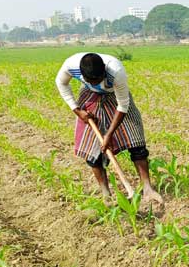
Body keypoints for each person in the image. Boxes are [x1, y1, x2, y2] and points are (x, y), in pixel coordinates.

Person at [55, 52, 163, 205]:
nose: (95, 82)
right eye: (90, 80)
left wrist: (109, 134)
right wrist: (77, 111)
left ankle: (147, 188)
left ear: (104, 71)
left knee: (136, 140)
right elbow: (61, 83)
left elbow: (123, 105)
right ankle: (106, 194)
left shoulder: (116, 72)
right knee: (92, 147)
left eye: (98, 80)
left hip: (115, 97)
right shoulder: (70, 65)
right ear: (83, 75)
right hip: (89, 97)